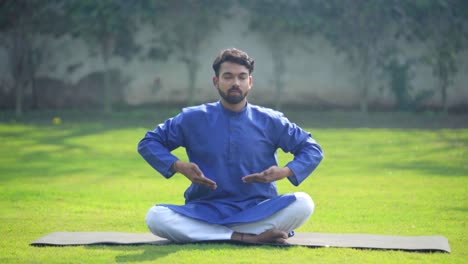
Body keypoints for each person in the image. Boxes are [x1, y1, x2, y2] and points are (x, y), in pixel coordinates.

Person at [138, 48, 323, 244]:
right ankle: (245, 237)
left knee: (303, 203)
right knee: (155, 216)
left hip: (258, 209)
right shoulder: (192, 118)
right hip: (205, 210)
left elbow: (312, 149)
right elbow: (149, 142)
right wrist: (179, 166)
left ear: (250, 82)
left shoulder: (270, 120)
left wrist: (284, 172)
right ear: (216, 81)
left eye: (242, 77)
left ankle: (215, 234)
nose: (236, 83)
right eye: (228, 77)